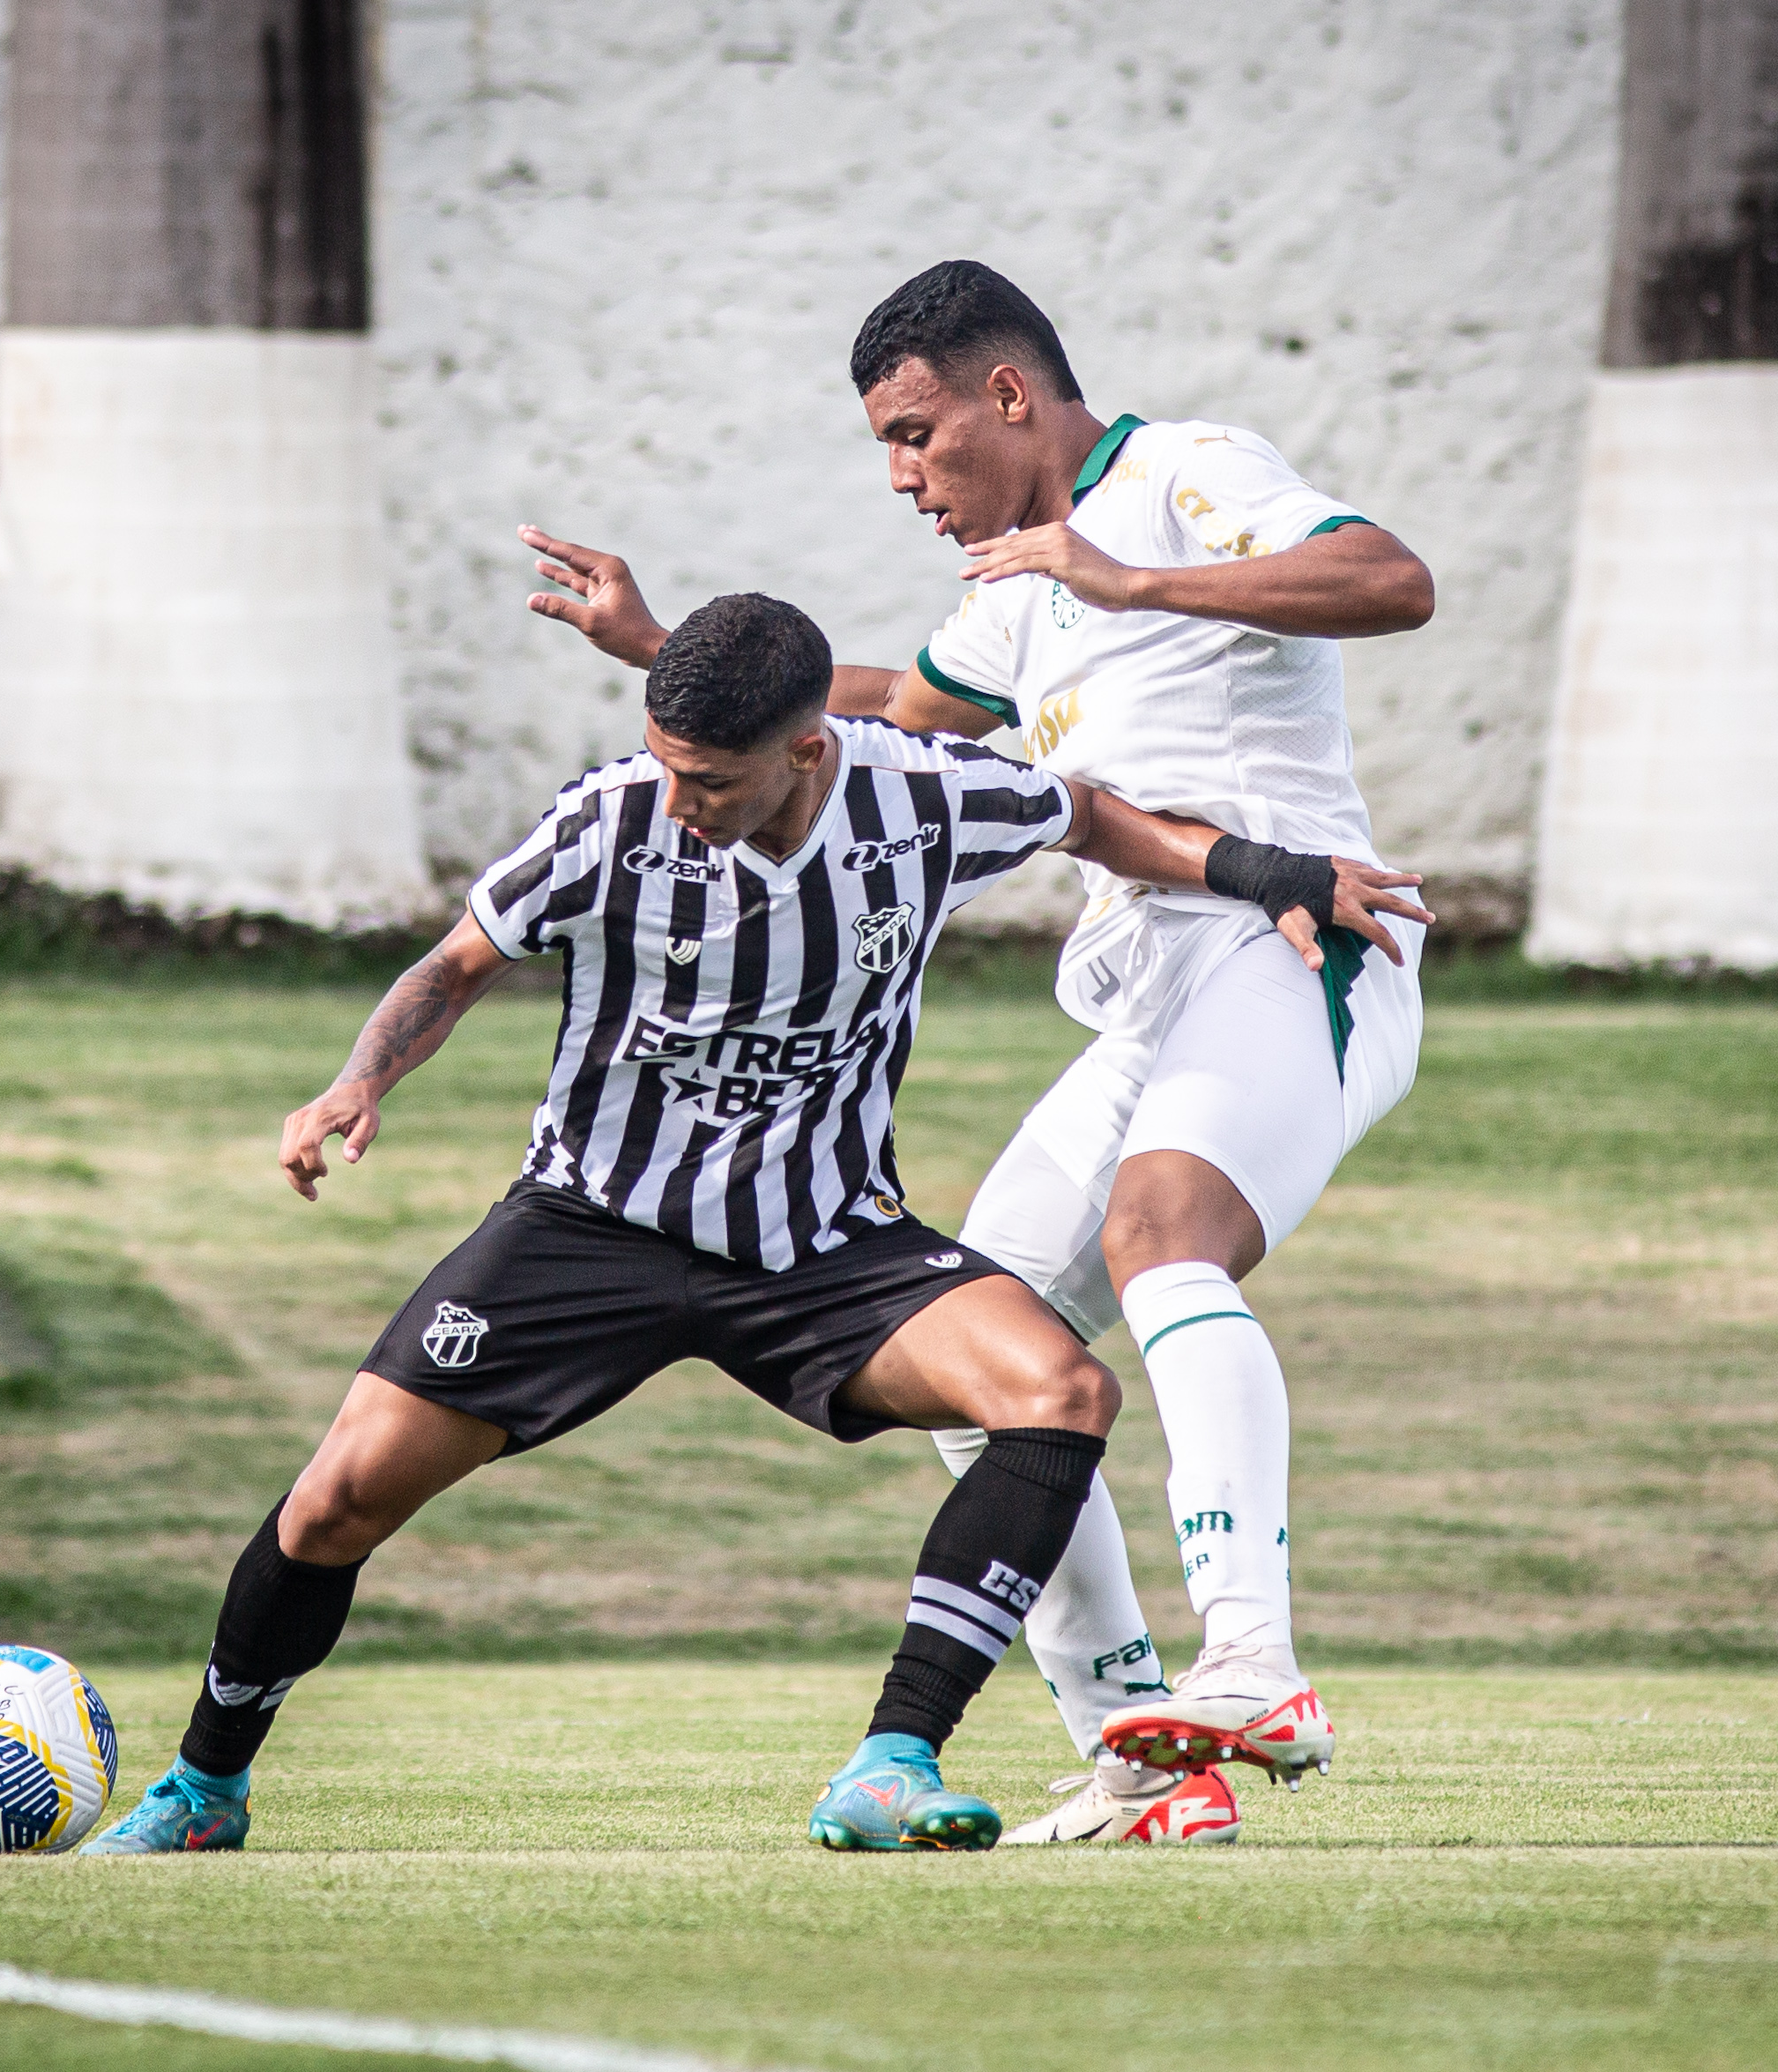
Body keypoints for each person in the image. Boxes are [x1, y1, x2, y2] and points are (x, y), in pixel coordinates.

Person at [85, 592, 1424, 1856]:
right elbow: (456, 964)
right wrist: (357, 1080)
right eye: (667, 766)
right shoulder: (608, 821)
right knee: (336, 1501)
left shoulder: (920, 796)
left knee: (1059, 1393)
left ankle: (892, 1762)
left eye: (711, 781)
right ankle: (204, 1784)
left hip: (822, 1241)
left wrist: (1267, 868)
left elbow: (1087, 815)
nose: (680, 800)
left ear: (806, 750)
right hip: (591, 1227)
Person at [521, 259, 1440, 1846]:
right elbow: (898, 707)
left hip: (1292, 940)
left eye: (914, 433)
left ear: (1006, 394)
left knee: (1160, 1234)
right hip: (1150, 986)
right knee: (989, 1348)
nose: (901, 477)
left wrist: (1129, 582)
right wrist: (661, 643)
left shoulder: (1182, 475)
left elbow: (1390, 578)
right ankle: (1141, 1754)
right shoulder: (1016, 582)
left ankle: (1254, 1662)